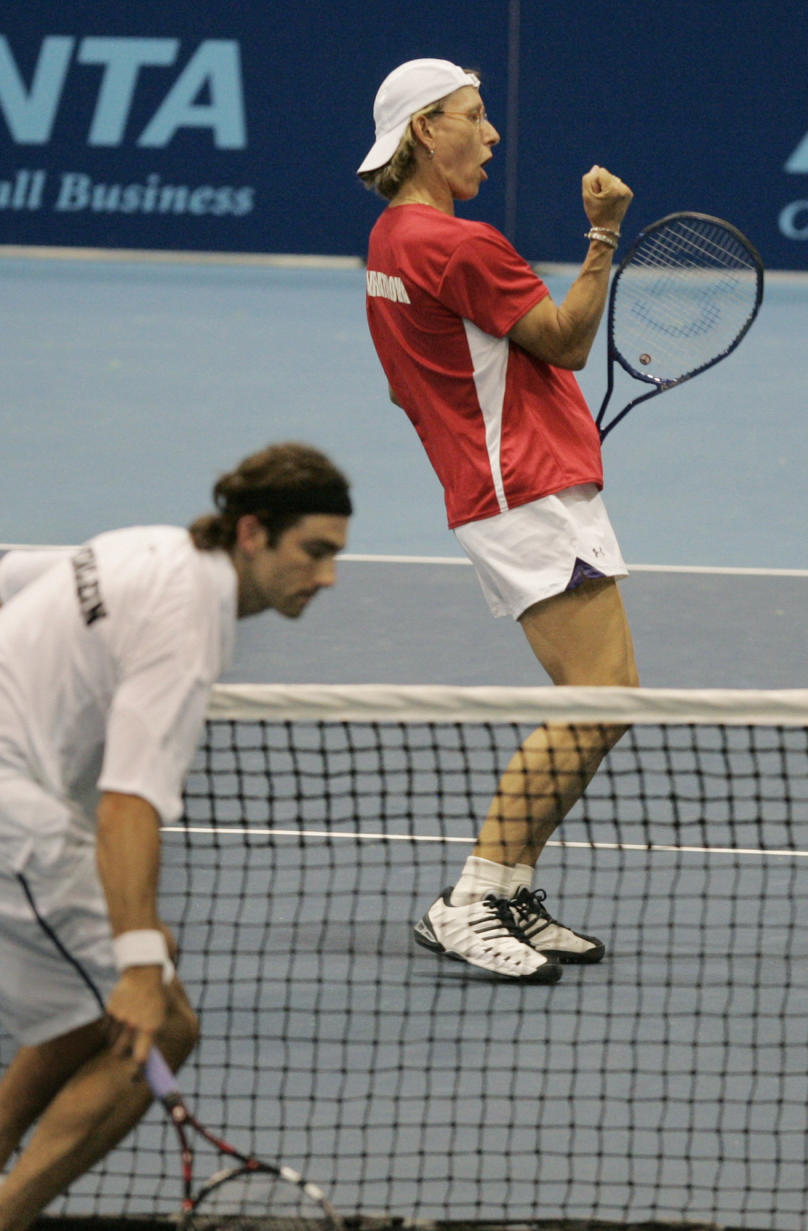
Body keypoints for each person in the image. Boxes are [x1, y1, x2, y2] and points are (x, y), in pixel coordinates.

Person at [0, 442, 352, 1231]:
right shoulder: (189, 626)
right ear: (254, 533)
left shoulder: (149, 544)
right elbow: (127, 804)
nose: (328, 575)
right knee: (159, 1018)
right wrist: (136, 957)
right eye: (316, 551)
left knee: (116, 994)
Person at [357, 58, 638, 984]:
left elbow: (426, 384)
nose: (492, 134)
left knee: (607, 699)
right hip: (525, 490)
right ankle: (472, 897)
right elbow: (563, 338)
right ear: (423, 132)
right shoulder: (459, 243)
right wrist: (603, 237)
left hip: (500, 480)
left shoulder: (388, 243)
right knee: (599, 697)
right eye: (474, 118)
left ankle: (514, 883)